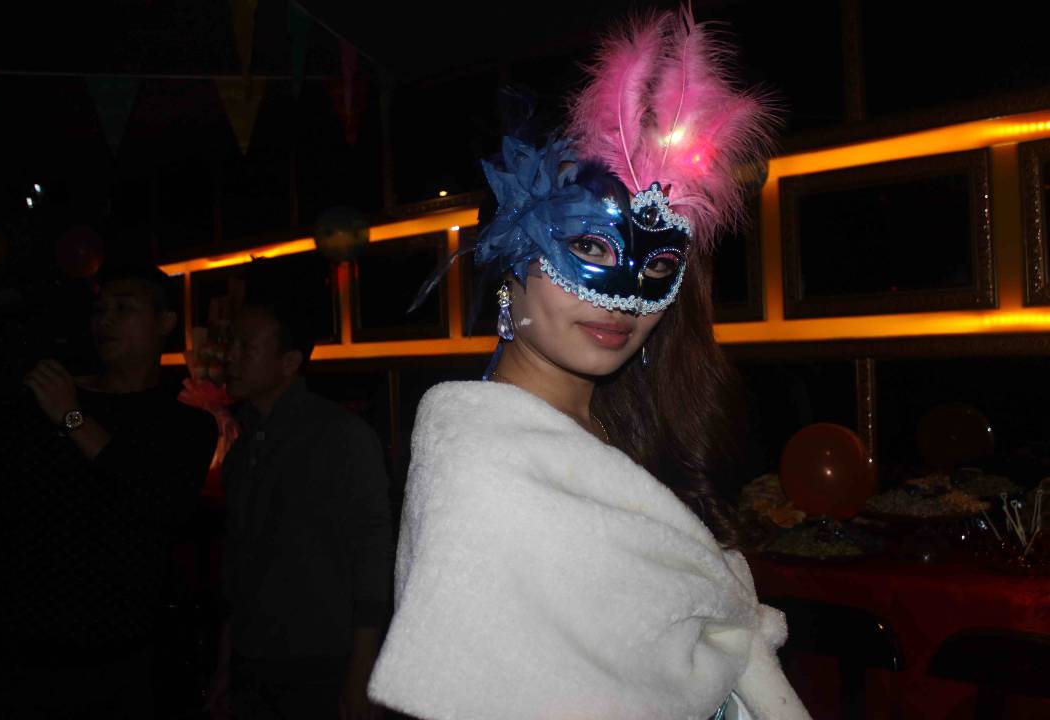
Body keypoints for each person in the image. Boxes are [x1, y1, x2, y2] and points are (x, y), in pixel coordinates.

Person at [368, 7, 810, 720]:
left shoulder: (621, 427)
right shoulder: (485, 467)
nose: (626, 296)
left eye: (657, 266)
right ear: (510, 263)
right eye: (589, 249)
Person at [0, 263, 218, 719]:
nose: (105, 320)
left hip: (117, 660)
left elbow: (163, 503)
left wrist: (72, 417)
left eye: (123, 308)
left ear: (164, 322)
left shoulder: (185, 425)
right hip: (15, 651)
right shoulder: (44, 397)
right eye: (100, 309)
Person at [206, 292, 393, 720]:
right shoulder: (245, 444)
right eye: (231, 344)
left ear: (289, 361)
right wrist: (226, 659)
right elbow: (239, 564)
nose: (230, 357)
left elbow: (372, 555)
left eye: (245, 346)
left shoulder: (339, 435)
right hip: (254, 658)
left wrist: (363, 669)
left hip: (322, 660)